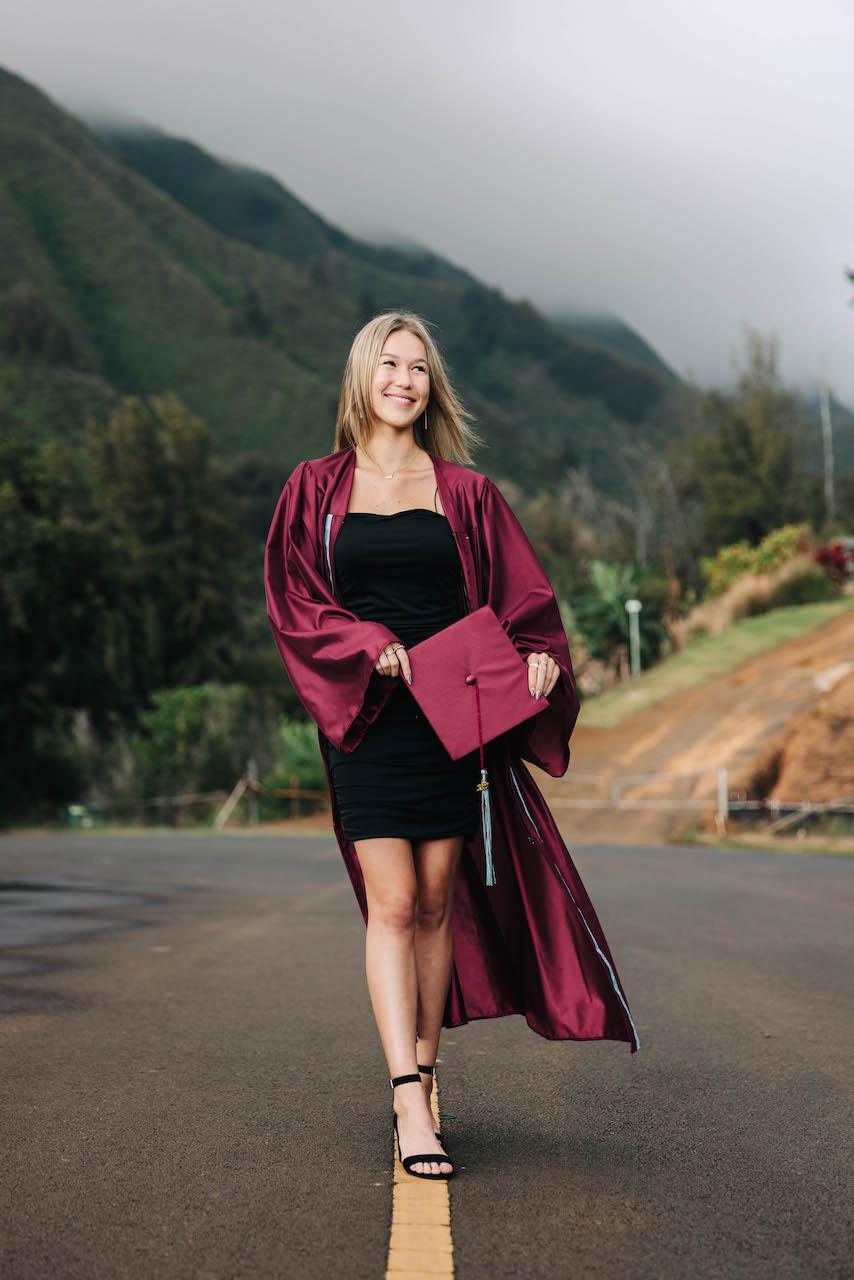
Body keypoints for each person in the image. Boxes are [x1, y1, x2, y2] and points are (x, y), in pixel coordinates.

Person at [264, 311, 640, 1181]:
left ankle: (428, 1074)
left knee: (436, 900)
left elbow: (524, 601)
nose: (404, 380)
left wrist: (540, 663)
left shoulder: (466, 493)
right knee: (391, 902)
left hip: (454, 718)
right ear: (362, 376)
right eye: (389, 364)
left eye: (419, 369)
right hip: (372, 720)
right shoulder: (314, 489)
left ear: (432, 386)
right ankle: (405, 1096)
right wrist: (367, 649)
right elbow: (297, 604)